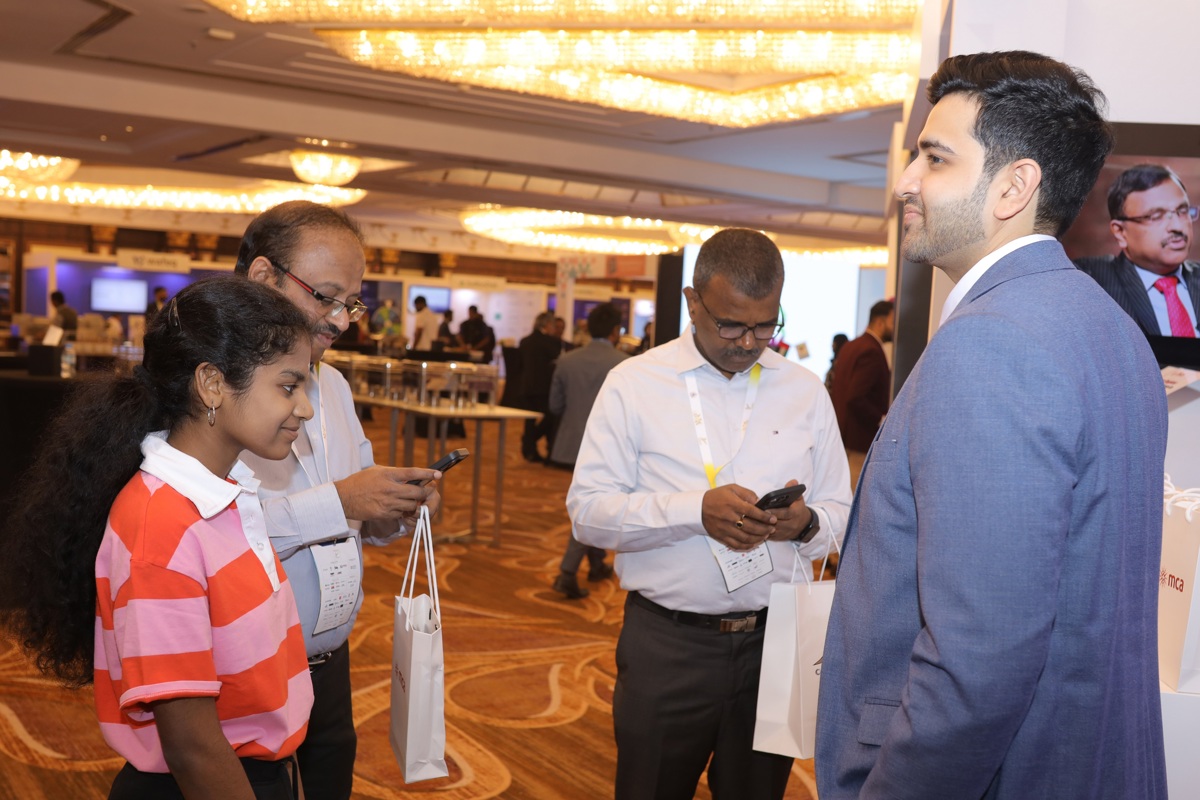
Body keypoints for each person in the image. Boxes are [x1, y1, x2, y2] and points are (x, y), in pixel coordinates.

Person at [816, 51, 1168, 799]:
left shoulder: (993, 342)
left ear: (1014, 186)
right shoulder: (1112, 328)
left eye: (935, 158)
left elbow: (977, 663)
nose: (906, 181)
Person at [1, 278, 317, 799]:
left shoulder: (226, 493)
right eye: (288, 386)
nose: (305, 407)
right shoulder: (160, 527)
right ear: (212, 384)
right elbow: (192, 745)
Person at [567, 228, 851, 800]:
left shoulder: (804, 391)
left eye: (765, 326)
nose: (748, 343)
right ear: (692, 303)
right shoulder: (634, 385)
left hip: (777, 642)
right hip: (669, 645)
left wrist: (807, 524)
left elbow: (843, 510)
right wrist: (694, 511)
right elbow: (589, 514)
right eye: (730, 324)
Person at [235, 200, 442, 800]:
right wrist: (342, 498)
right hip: (242, 664)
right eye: (326, 296)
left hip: (329, 657)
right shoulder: (207, 389)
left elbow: (357, 512)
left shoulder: (336, 386)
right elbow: (205, 531)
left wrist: (397, 506)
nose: (342, 320)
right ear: (264, 277)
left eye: (352, 302)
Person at [547, 303, 628, 599]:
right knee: (590, 508)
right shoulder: (626, 365)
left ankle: (596, 564)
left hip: (571, 445)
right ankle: (567, 573)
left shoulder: (567, 360)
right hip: (611, 449)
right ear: (615, 331)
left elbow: (555, 406)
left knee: (589, 501)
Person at [1075, 163, 1199, 337]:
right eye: (1156, 216)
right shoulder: (1089, 280)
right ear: (1120, 232)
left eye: (1183, 211)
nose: (1177, 226)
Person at [828, 300, 894, 487]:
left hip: (846, 437)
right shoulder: (871, 351)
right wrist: (881, 419)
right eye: (892, 321)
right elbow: (856, 397)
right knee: (854, 495)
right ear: (880, 322)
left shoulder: (852, 345)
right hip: (860, 440)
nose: (895, 327)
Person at [515, 311, 563, 462]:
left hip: (526, 387)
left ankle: (529, 450)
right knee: (550, 417)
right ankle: (532, 443)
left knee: (529, 421)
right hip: (544, 389)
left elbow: (520, 365)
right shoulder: (552, 342)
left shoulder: (525, 341)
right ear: (547, 325)